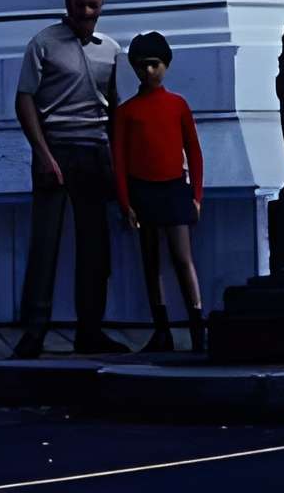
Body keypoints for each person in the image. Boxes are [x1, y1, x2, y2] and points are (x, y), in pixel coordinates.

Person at [12, 0, 128, 359]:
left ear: (102, 4)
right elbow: (24, 99)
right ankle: (34, 333)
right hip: (56, 150)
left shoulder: (110, 50)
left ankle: (90, 330)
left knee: (95, 247)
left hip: (96, 153)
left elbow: (115, 108)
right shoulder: (43, 43)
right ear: (67, 3)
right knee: (45, 245)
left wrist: (115, 161)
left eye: (93, 5)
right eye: (79, 5)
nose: (86, 12)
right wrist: (43, 154)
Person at [111, 31, 206, 354]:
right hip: (143, 189)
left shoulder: (178, 105)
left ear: (165, 64)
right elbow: (119, 160)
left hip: (174, 187)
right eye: (141, 66)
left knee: (182, 258)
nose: (148, 71)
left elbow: (194, 152)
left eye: (154, 64)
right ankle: (162, 329)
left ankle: (197, 326)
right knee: (150, 261)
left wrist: (196, 196)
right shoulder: (127, 112)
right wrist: (125, 202)